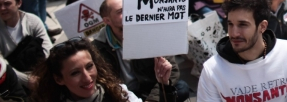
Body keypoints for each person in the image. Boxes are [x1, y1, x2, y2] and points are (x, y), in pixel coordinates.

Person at [196, 0, 287, 101]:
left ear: (262, 26)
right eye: (230, 24)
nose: (234, 33)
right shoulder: (212, 70)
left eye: (242, 25)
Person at [92, 0, 189, 101]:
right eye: (120, 11)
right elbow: (102, 83)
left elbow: (173, 71)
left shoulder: (149, 32)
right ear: (107, 20)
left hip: (150, 89)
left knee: (181, 88)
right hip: (122, 95)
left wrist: (152, 99)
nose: (128, 13)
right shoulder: (98, 47)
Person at [32, 37, 178, 102]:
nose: (87, 77)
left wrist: (163, 85)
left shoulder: (119, 93)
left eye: (89, 66)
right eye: (75, 73)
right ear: (59, 79)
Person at [0, 0, 52, 88]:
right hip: (14, 82)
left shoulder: (33, 21)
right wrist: (28, 81)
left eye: (7, 3)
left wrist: (43, 75)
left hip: (42, 72)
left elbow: (48, 50)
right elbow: (2, 66)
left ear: (19, 3)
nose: (2, 8)